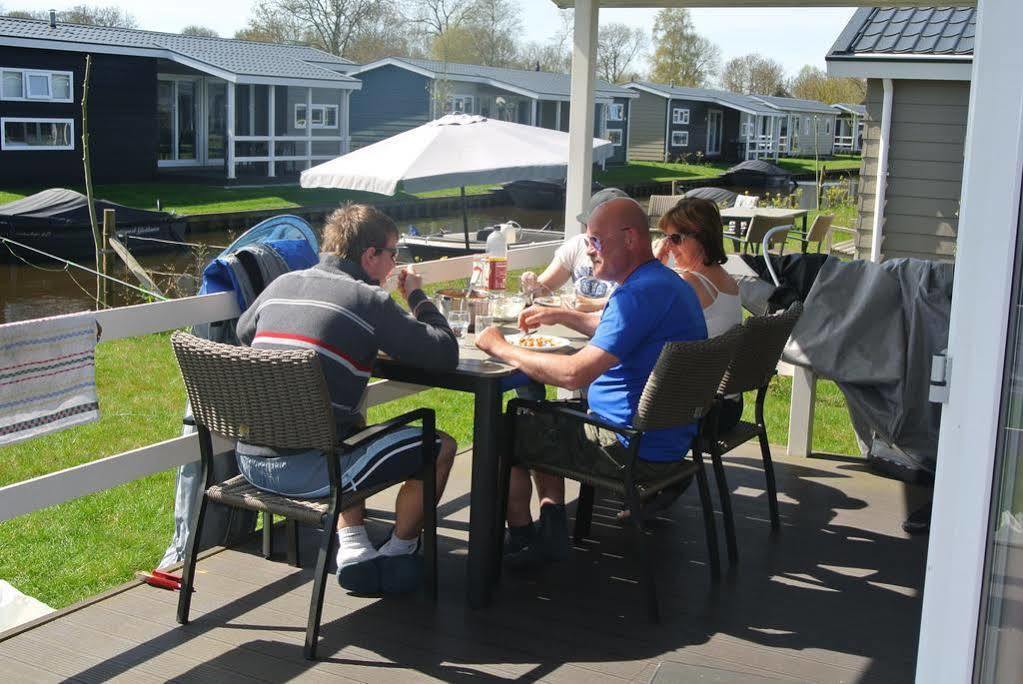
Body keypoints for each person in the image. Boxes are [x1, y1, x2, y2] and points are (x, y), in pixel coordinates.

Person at [235, 203, 460, 594]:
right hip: (312, 471)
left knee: (348, 423)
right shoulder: (368, 300)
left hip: (249, 460)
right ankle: (400, 551)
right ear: (370, 255)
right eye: (392, 254)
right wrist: (419, 296)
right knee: (441, 446)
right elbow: (444, 353)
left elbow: (243, 331)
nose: (393, 264)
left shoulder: (284, 283)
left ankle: (355, 549)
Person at [475, 198, 708, 566]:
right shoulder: (665, 284)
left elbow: (574, 373)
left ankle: (523, 536)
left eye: (596, 240)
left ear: (630, 239)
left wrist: (499, 346)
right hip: (668, 437)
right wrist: (560, 315)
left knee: (506, 429)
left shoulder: (638, 293)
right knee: (538, 418)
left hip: (628, 447)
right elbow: (617, 328)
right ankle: (552, 526)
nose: (589, 249)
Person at [654, 197, 744, 432]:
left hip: (700, 412)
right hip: (727, 407)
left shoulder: (689, 282)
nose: (669, 247)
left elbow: (638, 315)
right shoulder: (726, 279)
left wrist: (653, 265)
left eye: (675, 239)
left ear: (700, 238)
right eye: (666, 238)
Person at [518, 188, 626, 312]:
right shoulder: (578, 245)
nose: (589, 250)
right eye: (588, 225)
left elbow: (638, 301)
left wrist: (596, 303)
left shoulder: (635, 257)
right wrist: (531, 286)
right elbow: (542, 291)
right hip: (574, 325)